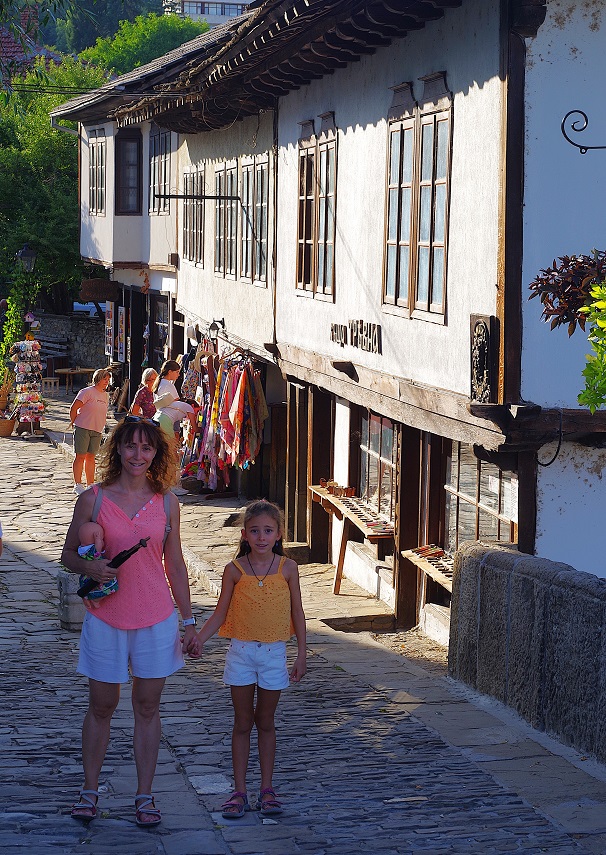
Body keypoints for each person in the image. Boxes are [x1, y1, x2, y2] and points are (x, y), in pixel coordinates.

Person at [61, 416, 198, 827]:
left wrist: (189, 621)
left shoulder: (168, 502)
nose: (139, 456)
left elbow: (174, 563)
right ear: (118, 448)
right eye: (131, 446)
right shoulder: (94, 499)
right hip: (106, 617)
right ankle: (89, 790)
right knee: (101, 705)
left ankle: (144, 796)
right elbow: (69, 556)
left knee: (147, 706)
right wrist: (95, 567)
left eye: (147, 448)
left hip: (155, 617)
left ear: (157, 454)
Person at [188, 500, 306, 818]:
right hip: (240, 653)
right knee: (242, 723)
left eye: (268, 530)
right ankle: (239, 792)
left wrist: (302, 654)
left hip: (274, 654)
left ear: (279, 533)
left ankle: (266, 789)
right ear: (244, 535)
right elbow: (220, 613)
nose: (261, 537)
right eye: (255, 531)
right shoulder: (234, 571)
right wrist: (199, 637)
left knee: (265, 722)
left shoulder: (288, 569)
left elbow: (298, 612)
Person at [69, 368, 111, 495]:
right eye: (105, 379)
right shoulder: (86, 392)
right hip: (83, 427)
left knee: (91, 457)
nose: (107, 382)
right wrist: (74, 422)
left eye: (108, 380)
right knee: (80, 456)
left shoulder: (105, 395)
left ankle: (90, 484)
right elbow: (74, 408)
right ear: (98, 379)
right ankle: (77, 484)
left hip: (97, 430)